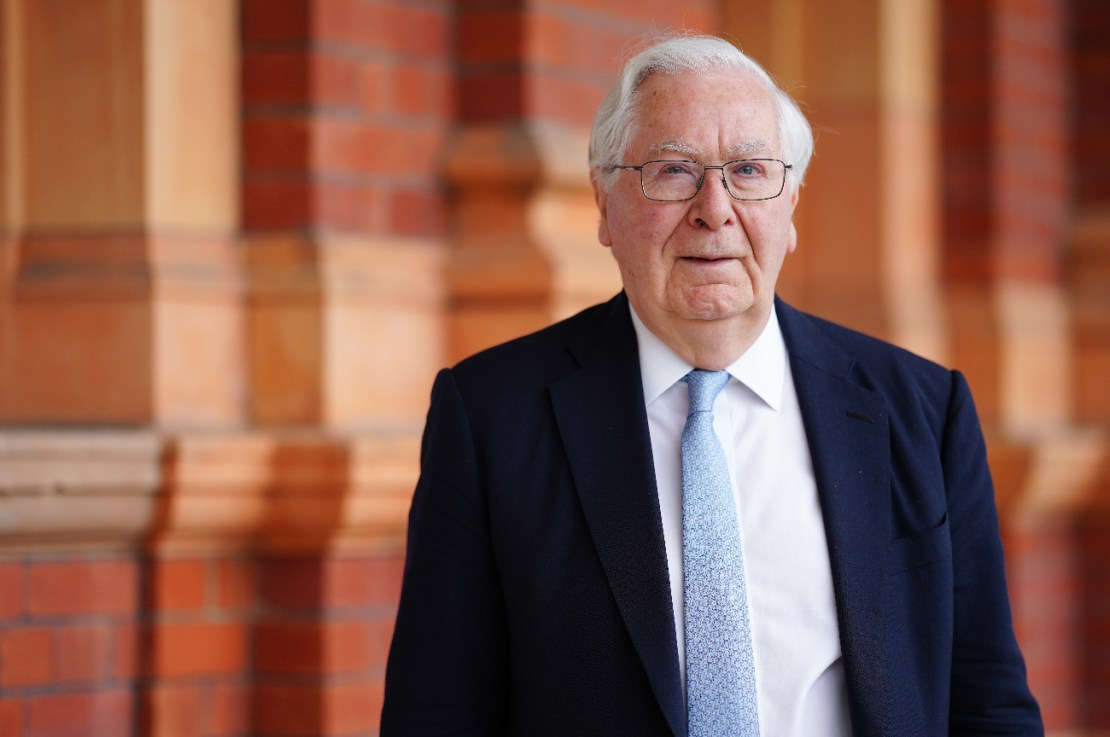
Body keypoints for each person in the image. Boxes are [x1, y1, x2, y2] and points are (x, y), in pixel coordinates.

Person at [381, 35, 1043, 737]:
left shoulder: (922, 413)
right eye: (672, 171)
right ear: (604, 205)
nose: (715, 208)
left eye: (750, 170)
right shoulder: (492, 419)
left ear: (790, 207)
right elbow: (437, 713)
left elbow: (987, 701)